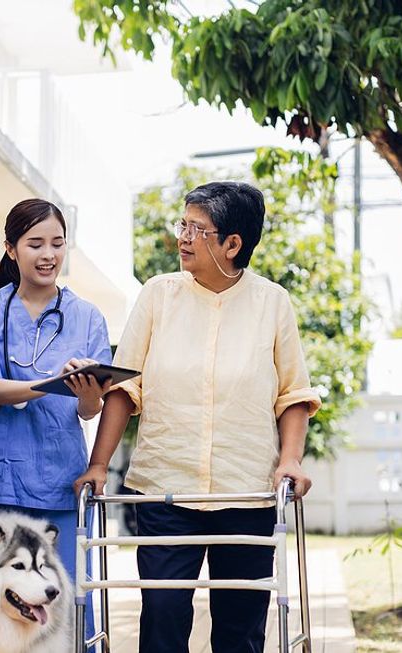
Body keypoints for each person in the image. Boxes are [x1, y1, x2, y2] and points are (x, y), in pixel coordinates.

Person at [74, 181, 321, 653]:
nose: (183, 237)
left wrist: (290, 459)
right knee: (163, 619)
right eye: (183, 225)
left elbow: (292, 393)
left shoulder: (272, 302)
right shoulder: (158, 295)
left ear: (233, 244)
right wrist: (99, 463)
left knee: (240, 627)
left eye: (198, 229)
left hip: (246, 492)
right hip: (165, 489)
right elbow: (125, 387)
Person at [0, 198, 111, 582]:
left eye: (57, 243)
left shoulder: (87, 317)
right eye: (35, 245)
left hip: (62, 479)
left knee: (66, 598)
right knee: (4, 597)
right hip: (3, 483)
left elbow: (88, 410)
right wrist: (50, 385)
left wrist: (85, 393)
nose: (48, 255)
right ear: (11, 250)